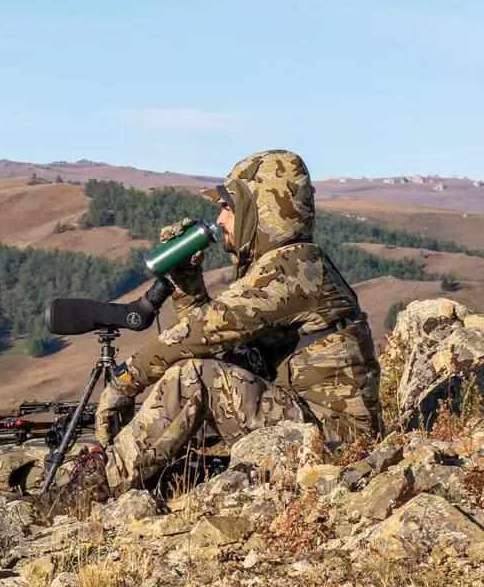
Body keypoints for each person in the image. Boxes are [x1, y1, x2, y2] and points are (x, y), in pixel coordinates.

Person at [93, 149, 382, 496]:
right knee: (200, 372)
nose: (221, 220)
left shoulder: (293, 269)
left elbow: (203, 334)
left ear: (259, 211)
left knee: (192, 376)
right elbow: (227, 350)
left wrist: (125, 381)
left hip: (335, 442)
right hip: (323, 432)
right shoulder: (290, 267)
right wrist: (187, 286)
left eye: (229, 207)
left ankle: (96, 488)